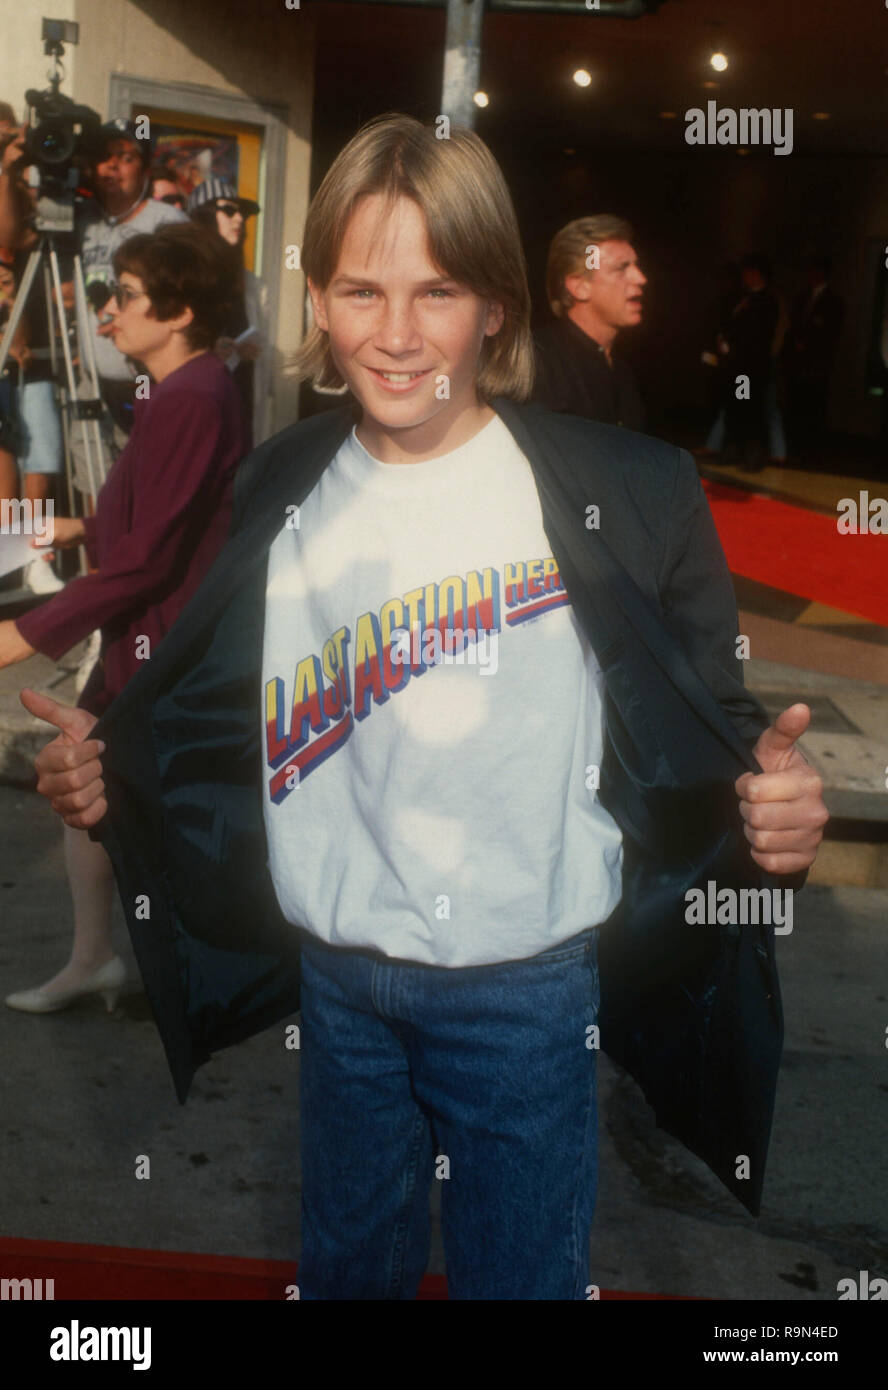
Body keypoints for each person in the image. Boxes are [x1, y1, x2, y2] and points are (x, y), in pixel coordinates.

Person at [19, 115, 826, 1300]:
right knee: (348, 1276)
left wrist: (781, 814)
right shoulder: (281, 480)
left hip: (528, 992)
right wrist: (107, 778)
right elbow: (209, 712)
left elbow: (717, 730)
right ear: (318, 298)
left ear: (499, 304)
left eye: (437, 290)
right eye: (361, 290)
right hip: (338, 986)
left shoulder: (626, 493)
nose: (395, 336)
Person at [0, 222, 249, 1013]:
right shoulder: (181, 392)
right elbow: (149, 524)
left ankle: (197, 980)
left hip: (168, 645)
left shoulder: (193, 395)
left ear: (179, 313)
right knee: (85, 790)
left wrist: (21, 634)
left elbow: (150, 559)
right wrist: (74, 529)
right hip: (150, 638)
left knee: (152, 810)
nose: (110, 310)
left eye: (128, 295)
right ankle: (97, 960)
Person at [0, 115, 189, 489]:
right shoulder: (81, 218)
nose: (113, 166)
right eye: (104, 157)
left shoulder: (168, 222)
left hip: (148, 382)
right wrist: (9, 167)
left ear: (146, 168)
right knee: (99, 500)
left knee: (150, 490)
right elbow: (8, 232)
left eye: (126, 156)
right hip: (91, 385)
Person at [532, 214, 646, 429]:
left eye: (636, 266)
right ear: (579, 286)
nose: (641, 278)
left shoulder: (624, 370)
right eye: (621, 268)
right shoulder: (536, 364)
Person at [186, 178, 267, 447]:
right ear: (203, 216)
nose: (239, 219)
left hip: (239, 405)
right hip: (196, 407)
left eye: (242, 213)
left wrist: (252, 350)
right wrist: (207, 351)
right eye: (229, 211)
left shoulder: (251, 283)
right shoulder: (183, 278)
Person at [718, 252, 780, 472]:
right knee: (736, 408)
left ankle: (753, 455)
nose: (747, 277)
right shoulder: (742, 298)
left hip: (751, 366)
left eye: (750, 273)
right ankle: (735, 450)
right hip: (737, 365)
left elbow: (758, 334)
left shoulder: (767, 301)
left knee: (751, 409)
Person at [782, 256, 844, 468]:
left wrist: (808, 343)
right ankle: (795, 450)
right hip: (797, 363)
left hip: (817, 364)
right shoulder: (801, 298)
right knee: (795, 407)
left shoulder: (833, 301)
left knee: (814, 409)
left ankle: (811, 454)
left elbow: (831, 333)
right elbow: (791, 326)